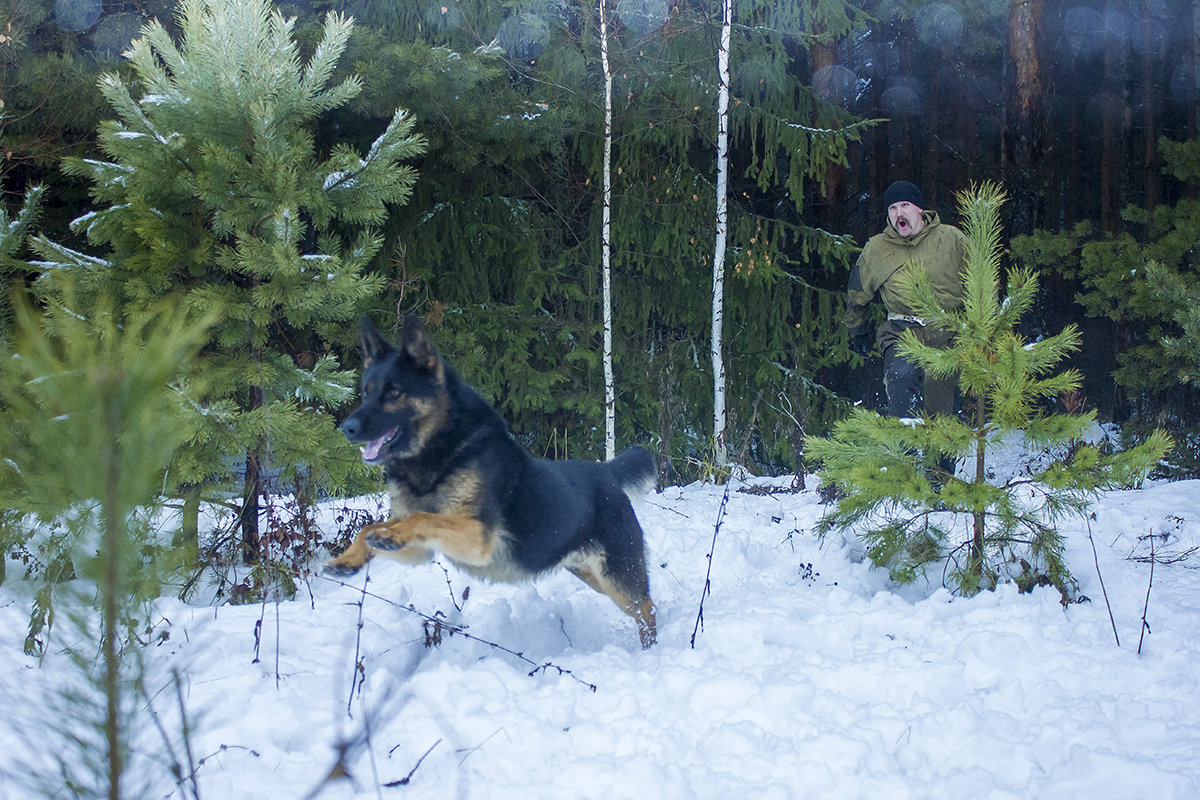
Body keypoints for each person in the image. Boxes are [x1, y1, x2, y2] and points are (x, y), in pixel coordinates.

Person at [844, 180, 968, 421]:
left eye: (904, 205)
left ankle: (941, 445)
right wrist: (857, 331)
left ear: (919, 209)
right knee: (900, 378)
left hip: (948, 331)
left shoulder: (951, 239)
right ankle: (904, 442)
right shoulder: (877, 249)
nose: (898, 213)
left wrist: (985, 327)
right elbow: (857, 294)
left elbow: (981, 282)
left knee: (941, 400)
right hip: (902, 330)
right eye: (892, 208)